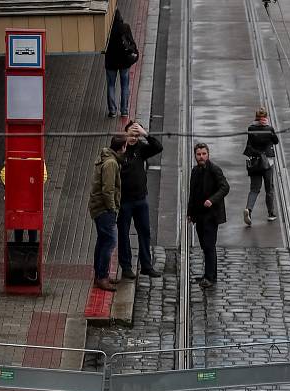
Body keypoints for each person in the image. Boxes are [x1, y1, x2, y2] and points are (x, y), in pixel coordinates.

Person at [118, 120, 163, 279]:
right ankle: (126, 266)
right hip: (124, 202)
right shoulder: (120, 149)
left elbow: (158, 147)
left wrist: (146, 134)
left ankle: (146, 265)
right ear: (125, 134)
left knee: (144, 232)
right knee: (123, 234)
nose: (134, 138)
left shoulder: (141, 149)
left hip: (140, 199)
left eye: (137, 135)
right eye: (132, 134)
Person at [187, 143, 229, 289]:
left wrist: (212, 200)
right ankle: (209, 274)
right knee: (205, 246)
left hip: (211, 215)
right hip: (199, 215)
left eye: (204, 154)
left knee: (209, 246)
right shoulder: (195, 171)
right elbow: (192, 193)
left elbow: (225, 187)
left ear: (208, 154)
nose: (201, 157)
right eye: (199, 154)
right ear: (195, 156)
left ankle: (210, 277)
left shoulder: (215, 170)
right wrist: (190, 213)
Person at [89, 135, 126, 291]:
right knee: (110, 241)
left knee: (103, 240)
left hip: (98, 207)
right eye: (125, 147)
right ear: (122, 147)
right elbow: (108, 189)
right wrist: (113, 208)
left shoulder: (107, 157)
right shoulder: (111, 163)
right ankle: (102, 277)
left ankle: (99, 274)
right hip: (104, 209)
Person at [242, 107, 279, 226]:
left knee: (254, 189)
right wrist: (269, 128)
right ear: (265, 118)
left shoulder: (250, 128)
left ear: (256, 117)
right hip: (267, 163)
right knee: (269, 189)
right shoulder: (269, 129)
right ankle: (271, 213)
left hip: (254, 163)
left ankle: (249, 209)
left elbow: (250, 144)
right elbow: (275, 140)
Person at [0, 160, 48, 243]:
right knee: (32, 226)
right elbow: (43, 176)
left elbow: (3, 174)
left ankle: (18, 247)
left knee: (18, 226)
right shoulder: (38, 157)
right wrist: (33, 184)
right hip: (32, 201)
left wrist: (13, 186)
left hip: (18, 201)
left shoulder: (14, 156)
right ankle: (32, 248)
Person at [104, 9, 138, 118]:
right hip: (124, 62)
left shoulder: (107, 30)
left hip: (110, 62)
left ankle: (112, 111)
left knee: (110, 85)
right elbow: (131, 42)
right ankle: (124, 111)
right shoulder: (125, 27)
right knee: (125, 86)